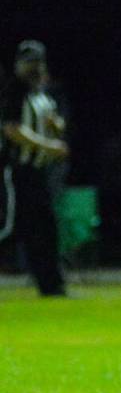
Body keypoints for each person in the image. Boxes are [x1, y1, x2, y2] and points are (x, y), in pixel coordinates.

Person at [1, 40, 68, 296]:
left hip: (40, 172)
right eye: (30, 62)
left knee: (46, 228)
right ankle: (49, 282)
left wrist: (56, 126)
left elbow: (55, 124)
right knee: (13, 228)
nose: (35, 67)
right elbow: (11, 129)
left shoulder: (41, 92)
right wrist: (47, 146)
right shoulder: (15, 90)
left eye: (38, 62)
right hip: (19, 171)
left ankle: (52, 285)